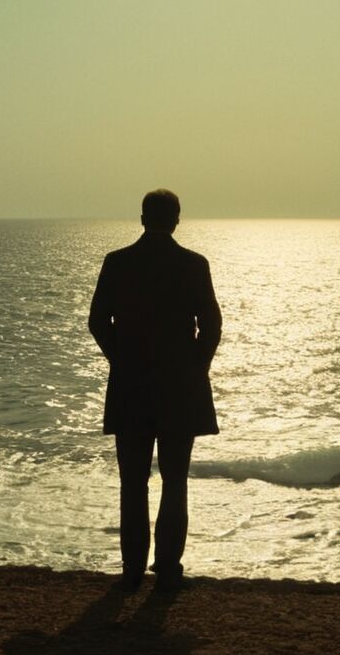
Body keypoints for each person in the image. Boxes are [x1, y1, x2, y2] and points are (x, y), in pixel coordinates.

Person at [88, 189, 222, 592]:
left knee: (133, 482)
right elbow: (212, 325)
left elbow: (98, 321)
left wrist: (120, 358)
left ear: (143, 218)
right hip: (180, 388)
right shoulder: (193, 265)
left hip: (131, 386)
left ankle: (132, 569)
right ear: (177, 218)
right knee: (175, 479)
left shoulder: (118, 263)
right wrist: (195, 365)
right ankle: (166, 566)